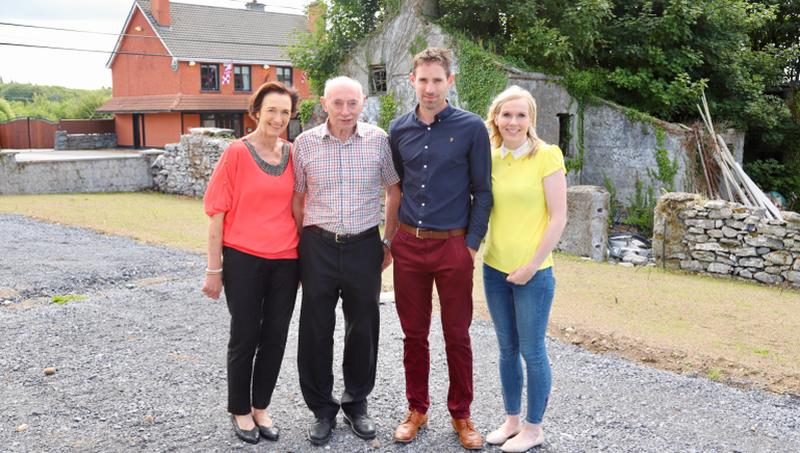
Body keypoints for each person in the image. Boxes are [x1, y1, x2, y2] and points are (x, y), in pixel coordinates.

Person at [388, 47, 492, 450]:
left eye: (437, 80)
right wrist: (390, 239)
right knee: (414, 335)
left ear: (450, 81)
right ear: (411, 81)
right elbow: (396, 189)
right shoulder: (399, 130)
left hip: (453, 247)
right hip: (409, 247)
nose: (429, 88)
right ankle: (417, 408)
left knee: (457, 334)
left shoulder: (471, 128)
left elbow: (483, 192)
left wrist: (469, 247)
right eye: (422, 80)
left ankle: (461, 414)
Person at [292, 76, 401, 446]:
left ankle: (357, 404)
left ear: (363, 102)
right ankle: (322, 409)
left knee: (363, 328)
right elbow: (297, 199)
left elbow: (394, 191)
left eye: (352, 103)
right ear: (324, 103)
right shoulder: (304, 144)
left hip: (363, 246)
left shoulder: (379, 140)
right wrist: (300, 245)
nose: (344, 111)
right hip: (317, 246)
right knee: (315, 329)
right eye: (337, 103)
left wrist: (388, 241)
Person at [201, 81, 300, 444]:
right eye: (271, 110)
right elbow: (216, 214)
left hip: (287, 261)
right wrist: (214, 270)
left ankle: (261, 406)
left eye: (285, 112)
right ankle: (240, 410)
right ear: (256, 111)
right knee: (245, 335)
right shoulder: (236, 153)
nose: (277, 118)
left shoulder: (293, 153)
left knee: (275, 337)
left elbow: (300, 209)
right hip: (243, 258)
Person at [481, 85, 567, 452]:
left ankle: (534, 429)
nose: (513, 122)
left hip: (534, 273)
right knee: (506, 349)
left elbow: (559, 217)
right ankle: (512, 421)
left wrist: (532, 265)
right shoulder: (489, 156)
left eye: (521, 115)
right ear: (496, 118)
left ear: (531, 118)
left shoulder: (547, 155)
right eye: (506, 114)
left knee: (532, 351)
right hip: (494, 268)